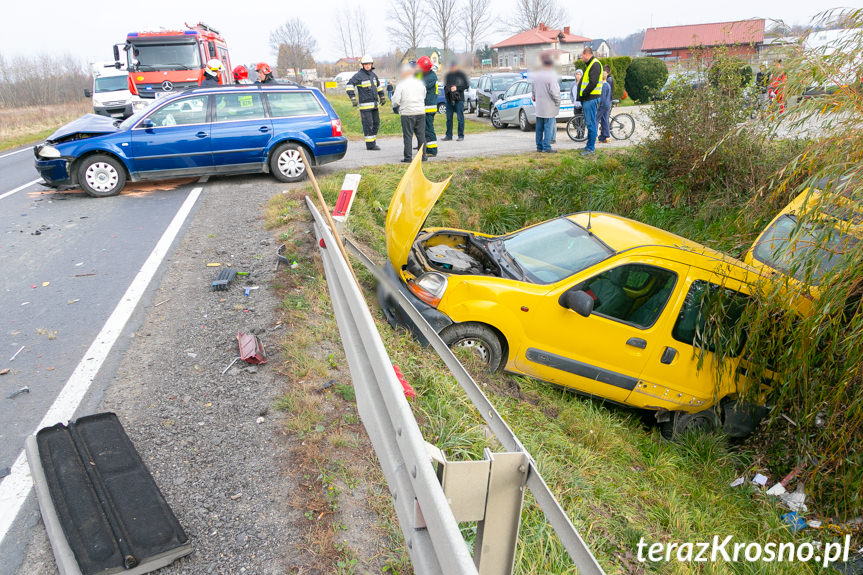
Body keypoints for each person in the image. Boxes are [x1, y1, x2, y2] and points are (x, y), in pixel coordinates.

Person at [345, 55, 386, 151]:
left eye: (369, 64)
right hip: (365, 107)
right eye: (365, 64)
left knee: (376, 123)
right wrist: (353, 98)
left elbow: (378, 87)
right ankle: (370, 145)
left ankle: (373, 142)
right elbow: (349, 85)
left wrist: (382, 97)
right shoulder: (358, 76)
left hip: (375, 105)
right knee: (368, 125)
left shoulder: (373, 75)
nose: (367, 66)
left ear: (371, 64)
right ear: (362, 65)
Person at [391, 63, 427, 163]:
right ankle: (422, 156)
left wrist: (396, 105)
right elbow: (424, 95)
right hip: (420, 112)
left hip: (407, 113)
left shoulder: (401, 85)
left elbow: (396, 101)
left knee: (408, 136)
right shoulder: (420, 83)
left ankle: (408, 157)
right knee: (421, 135)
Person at [531, 54, 560, 153]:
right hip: (549, 107)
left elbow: (533, 90)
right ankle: (546, 147)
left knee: (539, 128)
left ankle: (539, 146)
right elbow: (554, 92)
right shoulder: (551, 76)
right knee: (548, 128)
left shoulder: (536, 76)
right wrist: (557, 102)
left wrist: (535, 97)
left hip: (539, 107)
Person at [577, 47, 602, 154]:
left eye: (582, 56)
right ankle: (588, 146)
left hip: (590, 99)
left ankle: (590, 148)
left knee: (591, 124)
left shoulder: (595, 64)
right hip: (588, 99)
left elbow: (593, 83)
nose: (581, 58)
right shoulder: (591, 64)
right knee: (589, 123)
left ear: (586, 54)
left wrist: (583, 94)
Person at [417, 56, 439, 157]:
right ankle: (425, 146)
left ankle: (432, 150)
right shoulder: (423, 74)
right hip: (423, 107)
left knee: (429, 129)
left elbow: (418, 86)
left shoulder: (431, 77)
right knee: (423, 129)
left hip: (429, 107)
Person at [443, 60, 469, 141]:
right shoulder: (448, 75)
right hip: (449, 100)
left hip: (459, 99)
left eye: (453, 66)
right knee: (449, 119)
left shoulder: (461, 74)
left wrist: (456, 88)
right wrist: (449, 89)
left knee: (460, 118)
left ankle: (461, 136)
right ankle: (448, 135)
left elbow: (466, 85)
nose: (452, 68)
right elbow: (445, 86)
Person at [597, 68, 613, 144]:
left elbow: (602, 98)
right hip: (607, 105)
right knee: (604, 120)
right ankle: (605, 136)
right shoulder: (607, 84)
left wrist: (598, 105)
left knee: (596, 119)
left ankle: (594, 136)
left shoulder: (604, 86)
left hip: (603, 105)